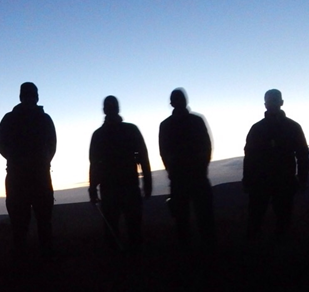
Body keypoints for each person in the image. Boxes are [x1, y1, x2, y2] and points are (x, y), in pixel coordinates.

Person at [0, 82, 57, 255]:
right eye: (29, 95)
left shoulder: (13, 119)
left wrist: (20, 161)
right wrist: (39, 162)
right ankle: (35, 258)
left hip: (27, 177)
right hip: (27, 177)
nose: (31, 98)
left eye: (32, 95)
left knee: (33, 222)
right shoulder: (40, 119)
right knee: (26, 222)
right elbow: (52, 146)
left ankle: (32, 258)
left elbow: (1, 146)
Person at [242, 89, 309, 239]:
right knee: (259, 218)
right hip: (266, 181)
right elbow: (249, 157)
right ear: (266, 104)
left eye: (274, 100)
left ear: (281, 102)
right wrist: (302, 179)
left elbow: (302, 154)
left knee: (279, 219)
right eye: (270, 101)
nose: (272, 104)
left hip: (278, 181)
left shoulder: (260, 128)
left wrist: (302, 178)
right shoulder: (290, 127)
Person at [88, 95, 152, 252]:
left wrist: (93, 187)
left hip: (113, 188)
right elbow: (143, 158)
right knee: (131, 228)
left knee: (115, 230)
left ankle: (119, 260)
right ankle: (133, 259)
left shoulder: (99, 135)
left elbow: (94, 164)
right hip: (126, 186)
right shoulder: (130, 130)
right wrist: (147, 181)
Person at [158, 88, 215, 247]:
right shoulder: (196, 121)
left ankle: (190, 250)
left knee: (184, 220)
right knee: (201, 217)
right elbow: (207, 147)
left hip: (182, 178)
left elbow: (164, 153)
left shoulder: (166, 125)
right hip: (194, 177)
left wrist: (172, 171)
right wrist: (202, 167)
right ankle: (208, 249)